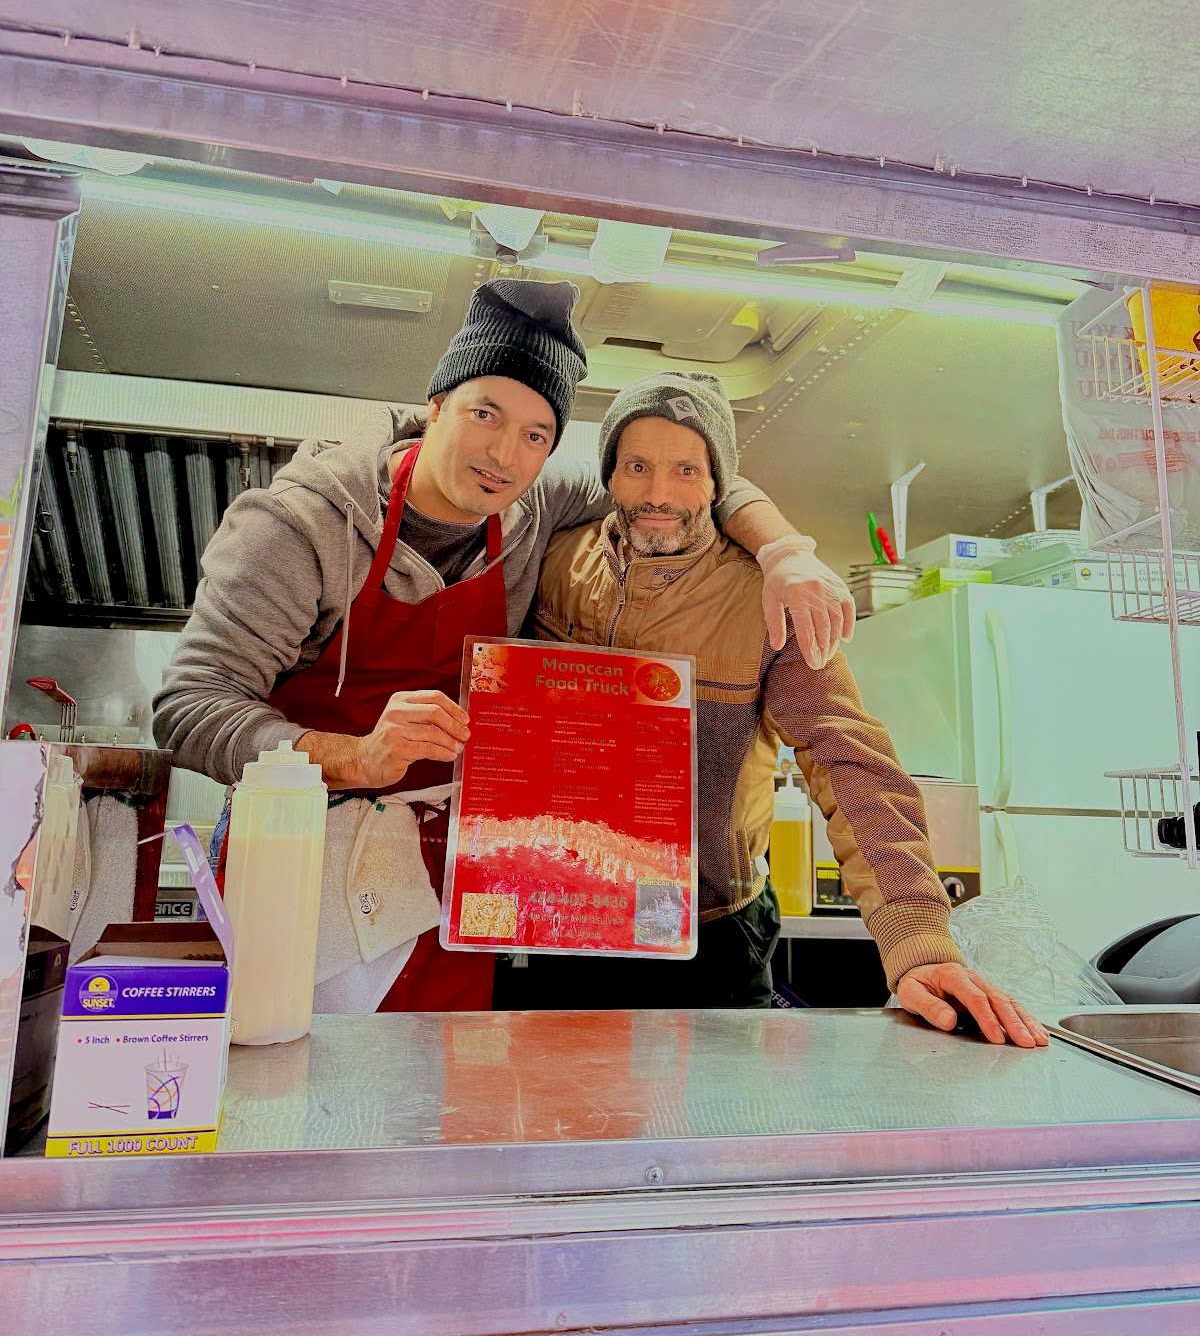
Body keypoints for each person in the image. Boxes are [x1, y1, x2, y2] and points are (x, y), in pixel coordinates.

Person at [152, 280, 854, 1014]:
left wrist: (785, 552)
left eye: (535, 435)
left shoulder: (537, 505)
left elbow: (681, 484)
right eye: (484, 413)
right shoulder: (302, 528)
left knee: (441, 1105)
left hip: (451, 888)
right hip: (298, 869)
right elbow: (188, 706)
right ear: (434, 407)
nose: (504, 454)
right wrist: (352, 756)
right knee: (286, 1086)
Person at [512, 370, 1048, 1046]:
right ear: (609, 476)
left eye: (686, 470)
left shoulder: (769, 601)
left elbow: (850, 760)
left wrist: (919, 939)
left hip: (711, 935)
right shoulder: (554, 562)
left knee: (714, 1131)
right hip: (564, 915)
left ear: (718, 485)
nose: (658, 494)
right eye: (637, 467)